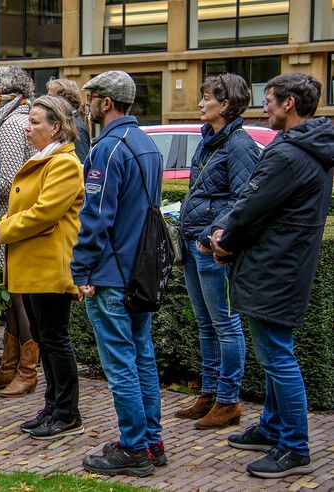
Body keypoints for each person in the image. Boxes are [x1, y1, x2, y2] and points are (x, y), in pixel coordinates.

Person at [210, 73, 333, 479]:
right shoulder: (302, 146)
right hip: (285, 264)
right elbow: (253, 199)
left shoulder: (289, 153)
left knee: (278, 357)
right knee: (278, 351)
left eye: (270, 100)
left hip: (273, 267)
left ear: (289, 104)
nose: (265, 107)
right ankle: (273, 427)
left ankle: (294, 448)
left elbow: (252, 207)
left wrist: (224, 240)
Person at [71, 71, 165, 477]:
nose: (87, 104)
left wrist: (80, 269)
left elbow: (95, 218)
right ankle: (151, 441)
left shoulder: (107, 149)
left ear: (105, 103)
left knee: (121, 364)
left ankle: (134, 449)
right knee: (142, 356)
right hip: (140, 271)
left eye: (91, 97)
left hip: (112, 273)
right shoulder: (147, 144)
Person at [0, 96, 85, 430]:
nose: (27, 128)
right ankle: (53, 406)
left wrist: (6, 230)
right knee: (46, 336)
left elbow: (46, 212)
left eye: (35, 122)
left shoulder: (64, 163)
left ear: (56, 127)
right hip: (34, 265)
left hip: (50, 266)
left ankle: (67, 412)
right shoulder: (45, 159)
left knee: (55, 339)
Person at [175, 73, 259, 429]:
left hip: (211, 249)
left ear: (225, 104)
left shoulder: (239, 144)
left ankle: (228, 401)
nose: (200, 103)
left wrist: (211, 236)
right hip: (195, 244)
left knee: (225, 325)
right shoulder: (209, 139)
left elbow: (244, 199)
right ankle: (209, 393)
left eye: (206, 97)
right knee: (206, 325)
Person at [0, 65, 36, 369]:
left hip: (10, 220)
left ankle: (24, 365)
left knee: (16, 296)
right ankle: (11, 359)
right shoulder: (7, 119)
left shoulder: (12, 123)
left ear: (3, 90)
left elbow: (13, 179)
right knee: (12, 294)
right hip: (6, 219)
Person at [46, 78, 91, 163]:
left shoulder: (76, 127)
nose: (47, 100)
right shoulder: (65, 121)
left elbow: (81, 163)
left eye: (51, 97)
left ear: (66, 99)